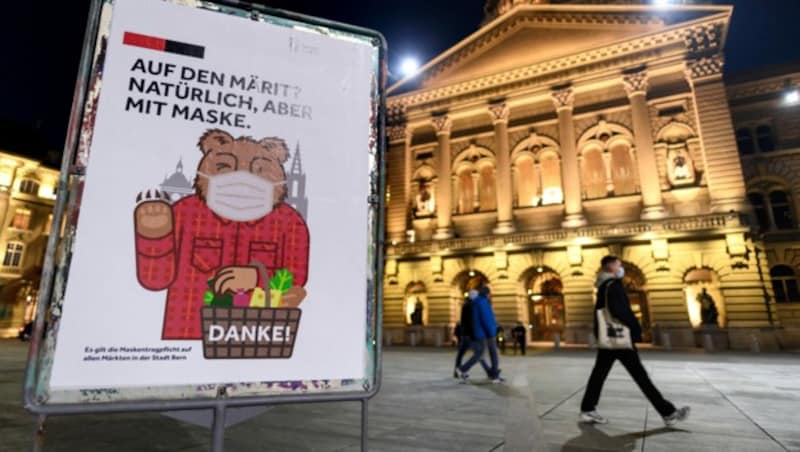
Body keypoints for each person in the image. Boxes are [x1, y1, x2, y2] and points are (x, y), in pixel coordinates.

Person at [579, 255, 690, 427]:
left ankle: (587, 410)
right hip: (620, 339)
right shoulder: (613, 285)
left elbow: (599, 314)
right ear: (611, 267)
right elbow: (620, 311)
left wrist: (600, 335)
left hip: (609, 339)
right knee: (641, 376)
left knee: (599, 375)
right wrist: (635, 328)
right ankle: (668, 413)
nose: (621, 267)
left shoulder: (601, 286)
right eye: (619, 265)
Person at [455, 285, 503, 383]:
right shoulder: (483, 302)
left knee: (482, 354)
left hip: (479, 332)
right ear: (487, 294)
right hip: (486, 333)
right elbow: (487, 319)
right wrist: (492, 331)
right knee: (490, 353)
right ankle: (493, 375)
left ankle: (493, 374)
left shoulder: (476, 302)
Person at [454, 300, 490, 378]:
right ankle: (461, 369)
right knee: (479, 353)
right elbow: (473, 322)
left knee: (462, 354)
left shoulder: (465, 306)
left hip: (465, 334)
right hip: (470, 336)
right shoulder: (472, 307)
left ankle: (457, 371)